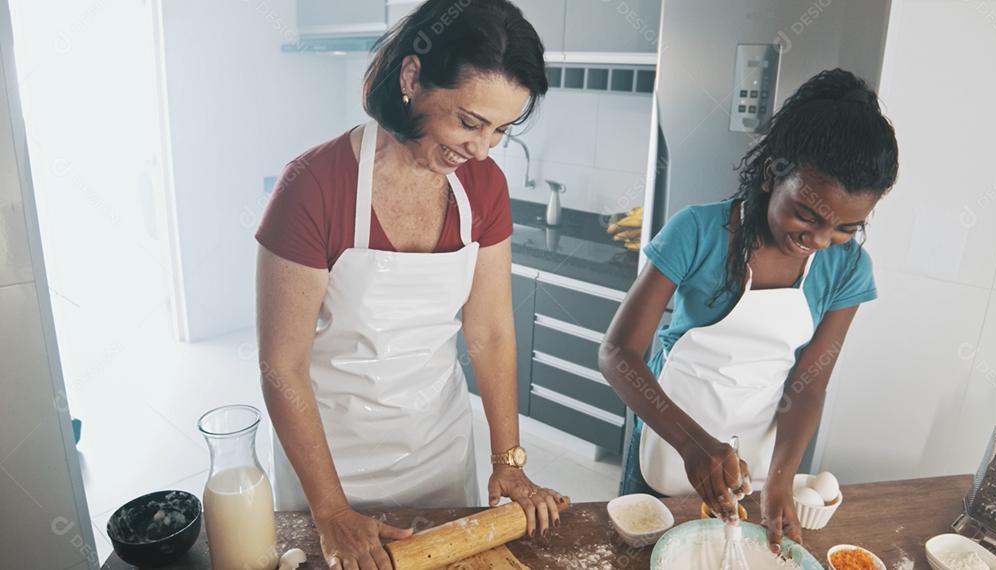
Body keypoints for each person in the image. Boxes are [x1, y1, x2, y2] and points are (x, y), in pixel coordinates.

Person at [255, 2, 563, 569]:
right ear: (412, 78)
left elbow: (491, 333)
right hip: (330, 461)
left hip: (436, 453)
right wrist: (329, 510)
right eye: (470, 122)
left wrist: (508, 458)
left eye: (501, 129)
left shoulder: (484, 187)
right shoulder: (313, 187)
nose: (482, 148)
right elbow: (282, 364)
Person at [599, 68, 899, 553]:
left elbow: (809, 383)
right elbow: (618, 354)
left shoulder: (847, 269)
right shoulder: (697, 231)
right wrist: (692, 444)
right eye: (807, 213)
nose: (819, 241)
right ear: (771, 174)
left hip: (764, 451)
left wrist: (780, 479)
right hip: (671, 430)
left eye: (845, 227)